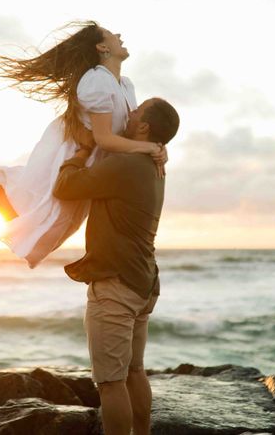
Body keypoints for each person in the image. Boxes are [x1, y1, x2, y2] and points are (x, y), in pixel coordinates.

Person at [0, 21, 167, 268]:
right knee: (48, 230)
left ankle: (2, 181)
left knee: (55, 231)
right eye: (112, 34)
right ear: (102, 47)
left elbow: (132, 130)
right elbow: (103, 138)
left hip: (96, 159)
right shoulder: (97, 81)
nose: (119, 35)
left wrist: (159, 148)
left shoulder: (125, 85)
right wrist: (148, 149)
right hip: (78, 152)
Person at [52, 97, 180, 435]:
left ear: (144, 127)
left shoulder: (129, 164)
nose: (129, 111)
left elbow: (66, 188)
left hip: (117, 284)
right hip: (143, 282)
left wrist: (80, 152)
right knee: (134, 372)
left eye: (136, 111)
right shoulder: (153, 164)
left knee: (110, 383)